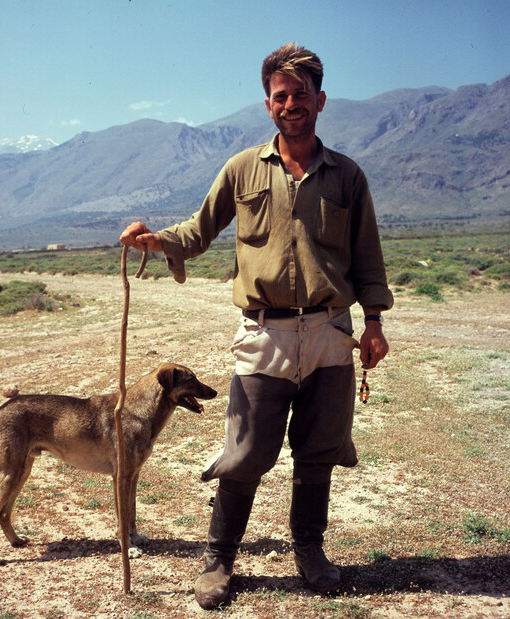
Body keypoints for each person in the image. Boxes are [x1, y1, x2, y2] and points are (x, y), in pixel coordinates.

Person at [120, 42, 393, 609]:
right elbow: (198, 230)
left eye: (300, 95)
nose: (290, 104)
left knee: (319, 449)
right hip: (264, 334)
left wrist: (374, 323)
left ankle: (310, 552)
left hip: (330, 333)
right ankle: (219, 559)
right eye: (279, 96)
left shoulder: (347, 176)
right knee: (245, 453)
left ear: (320, 100)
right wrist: (156, 239)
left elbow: (367, 256)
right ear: (267, 104)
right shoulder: (242, 169)